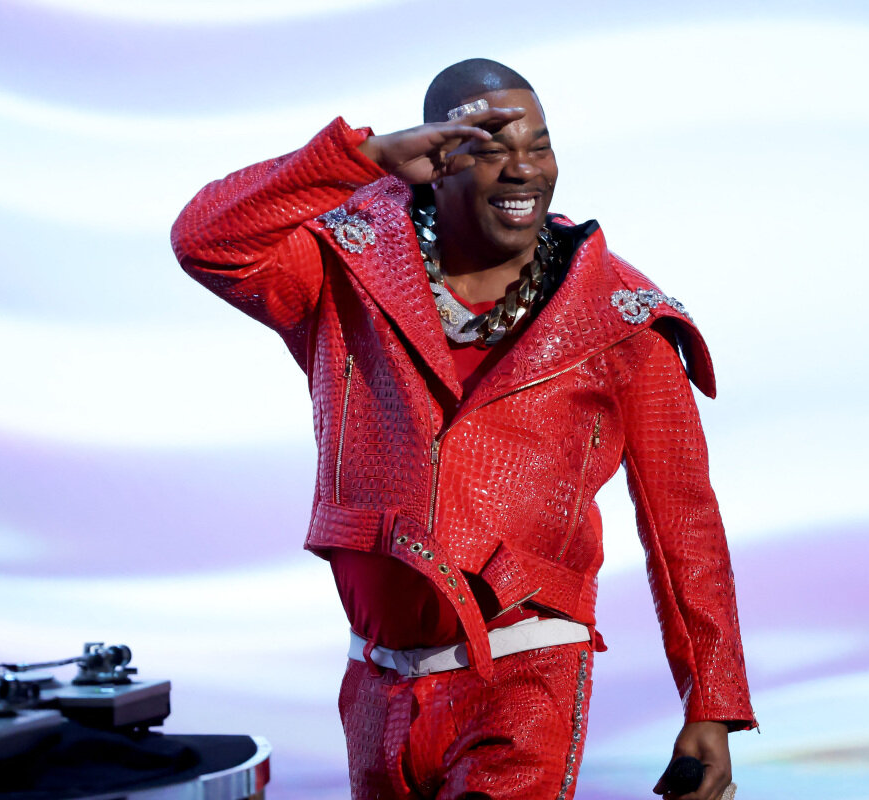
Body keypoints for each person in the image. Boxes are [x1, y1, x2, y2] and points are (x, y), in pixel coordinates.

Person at [171, 58, 756, 800]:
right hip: (377, 685)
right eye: (490, 146)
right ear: (435, 160)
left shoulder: (621, 316)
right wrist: (363, 158)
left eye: (539, 146)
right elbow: (207, 240)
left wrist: (712, 703)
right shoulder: (342, 266)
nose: (524, 169)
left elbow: (685, 525)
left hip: (524, 679)